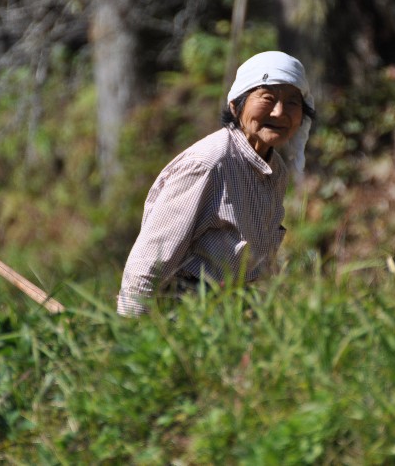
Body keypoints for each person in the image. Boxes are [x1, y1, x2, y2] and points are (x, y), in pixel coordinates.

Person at [117, 51, 315, 317]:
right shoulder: (209, 164)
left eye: (292, 103)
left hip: (237, 315)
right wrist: (129, 330)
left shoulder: (274, 169)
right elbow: (151, 259)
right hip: (188, 316)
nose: (280, 112)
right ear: (237, 106)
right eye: (267, 98)